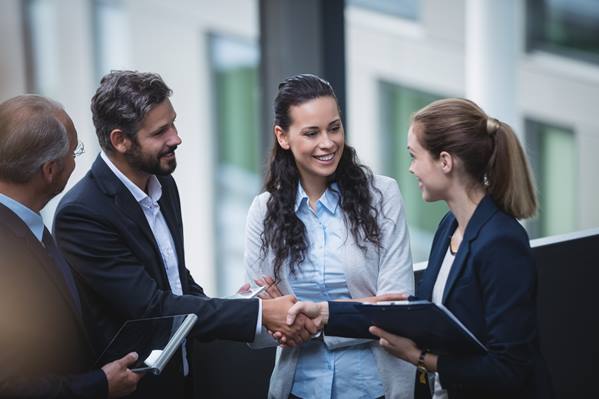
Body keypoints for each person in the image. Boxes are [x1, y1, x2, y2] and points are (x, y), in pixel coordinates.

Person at [53, 71, 316, 398]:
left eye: (173, 123)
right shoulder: (82, 214)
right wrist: (260, 314)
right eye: (161, 131)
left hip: (185, 377)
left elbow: (176, 279)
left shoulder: (162, 182)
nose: (176, 138)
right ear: (121, 140)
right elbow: (152, 307)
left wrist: (238, 303)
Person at [288, 98, 552, 398]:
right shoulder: (450, 226)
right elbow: (420, 316)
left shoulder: (502, 242)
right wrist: (324, 313)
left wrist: (420, 359)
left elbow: (510, 370)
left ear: (445, 161)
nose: (411, 169)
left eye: (414, 156)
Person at [244, 74, 415, 399]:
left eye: (334, 128)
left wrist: (313, 317)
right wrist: (359, 308)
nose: (328, 143)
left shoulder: (383, 196)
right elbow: (260, 320)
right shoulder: (263, 212)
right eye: (311, 133)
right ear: (283, 136)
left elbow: (396, 308)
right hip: (298, 390)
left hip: (373, 388)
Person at [0, 94, 142, 398]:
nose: (76, 161)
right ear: (50, 170)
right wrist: (99, 385)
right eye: (74, 151)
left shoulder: (25, 225)